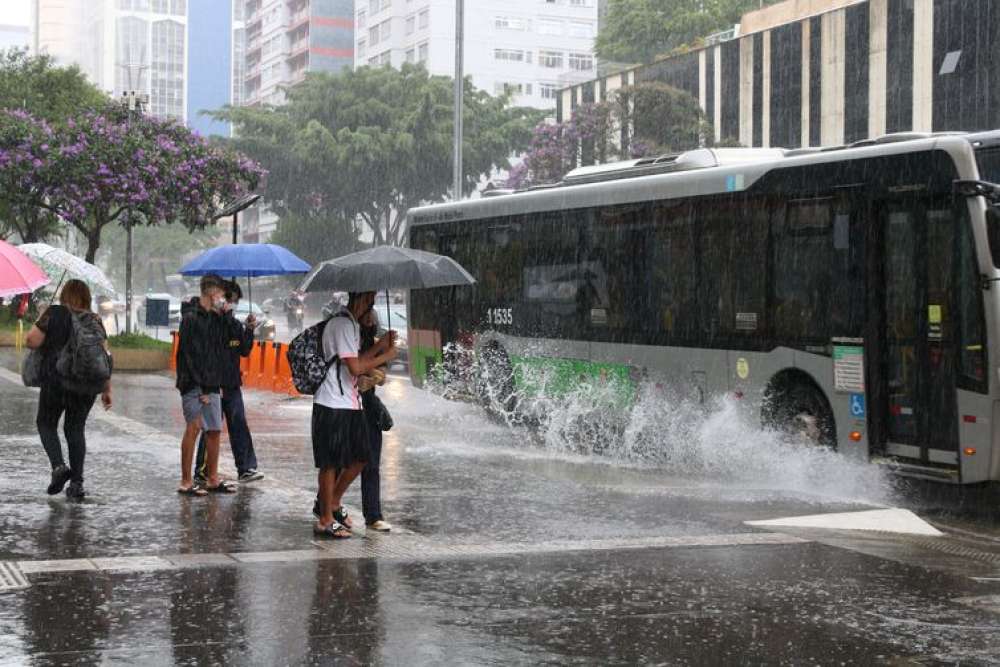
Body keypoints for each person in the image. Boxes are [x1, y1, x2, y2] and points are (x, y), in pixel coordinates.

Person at [312, 291, 397, 538]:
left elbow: (358, 360)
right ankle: (325, 518)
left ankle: (334, 502)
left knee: (362, 456)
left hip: (350, 402)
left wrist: (381, 346)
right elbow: (355, 367)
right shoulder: (342, 324)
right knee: (330, 462)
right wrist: (386, 355)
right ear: (362, 300)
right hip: (331, 402)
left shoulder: (351, 325)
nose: (372, 307)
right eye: (370, 299)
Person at [25, 280, 113, 501]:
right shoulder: (95, 320)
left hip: (56, 382)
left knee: (45, 423)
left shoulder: (54, 313)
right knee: (75, 430)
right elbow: (106, 356)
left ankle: (58, 467)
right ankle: (77, 484)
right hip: (85, 386)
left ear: (64, 295)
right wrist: (106, 388)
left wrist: (42, 318)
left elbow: (31, 341)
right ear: (86, 298)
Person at [194, 280, 264, 485]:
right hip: (214, 384)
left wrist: (249, 329)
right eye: (230, 300)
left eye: (235, 301)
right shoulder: (209, 322)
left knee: (239, 424)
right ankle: (202, 470)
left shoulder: (233, 323)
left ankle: (246, 468)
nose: (231, 304)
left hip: (232, 383)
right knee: (212, 428)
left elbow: (244, 349)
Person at [175, 274, 236, 496]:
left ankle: (212, 478)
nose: (222, 298)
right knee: (194, 427)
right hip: (193, 383)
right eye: (220, 294)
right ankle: (186, 481)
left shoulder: (214, 318)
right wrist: (199, 387)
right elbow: (189, 355)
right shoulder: (191, 318)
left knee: (214, 430)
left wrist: (226, 316)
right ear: (211, 293)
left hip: (212, 382)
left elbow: (228, 342)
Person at [359, 308, 392, 532]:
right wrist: (383, 352)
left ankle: (373, 515)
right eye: (367, 313)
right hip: (347, 406)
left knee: (371, 463)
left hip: (368, 406)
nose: (371, 318)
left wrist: (379, 373)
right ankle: (325, 506)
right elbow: (355, 368)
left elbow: (376, 376)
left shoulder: (372, 338)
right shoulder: (350, 336)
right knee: (344, 463)